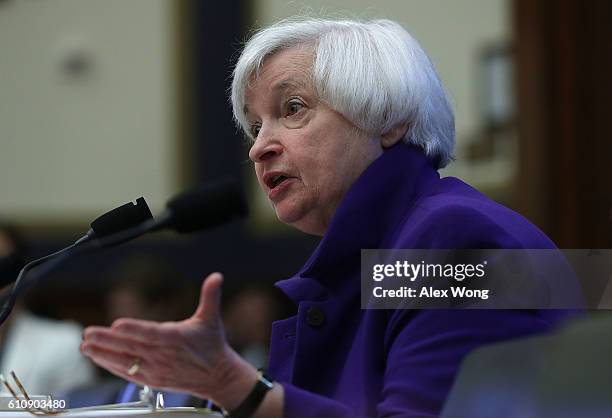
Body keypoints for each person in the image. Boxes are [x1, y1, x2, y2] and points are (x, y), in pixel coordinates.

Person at [80, 17, 579, 417]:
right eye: (255, 126)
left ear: (388, 118)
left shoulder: (458, 238)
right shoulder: (380, 253)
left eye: (292, 108)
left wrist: (238, 387)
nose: (258, 148)